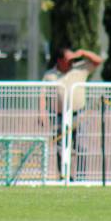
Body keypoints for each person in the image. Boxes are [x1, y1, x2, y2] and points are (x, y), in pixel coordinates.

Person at [40, 47, 102, 180]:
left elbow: (98, 60)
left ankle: (80, 178)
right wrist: (42, 113)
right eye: (68, 60)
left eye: (72, 59)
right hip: (59, 116)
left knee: (82, 147)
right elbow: (43, 95)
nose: (71, 62)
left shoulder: (80, 69)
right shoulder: (50, 75)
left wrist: (83, 52)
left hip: (79, 114)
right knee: (61, 148)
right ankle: (64, 177)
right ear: (59, 60)